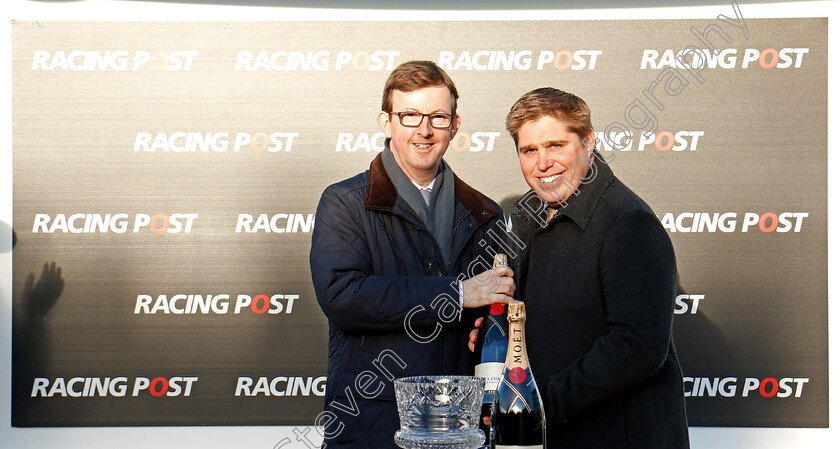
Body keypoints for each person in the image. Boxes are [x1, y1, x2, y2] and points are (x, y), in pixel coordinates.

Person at [310, 60, 514, 449]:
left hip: (463, 426)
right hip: (373, 425)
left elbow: (498, 318)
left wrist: (487, 322)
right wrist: (456, 296)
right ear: (386, 123)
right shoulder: (346, 203)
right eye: (410, 116)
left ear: (454, 127)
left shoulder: (484, 213)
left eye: (438, 117)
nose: (424, 130)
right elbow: (343, 296)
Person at [473, 87, 690, 448]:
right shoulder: (529, 215)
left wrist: (535, 402)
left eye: (556, 145)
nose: (542, 163)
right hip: (549, 433)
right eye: (529, 150)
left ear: (588, 142)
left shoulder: (627, 222)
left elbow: (637, 348)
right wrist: (487, 336)